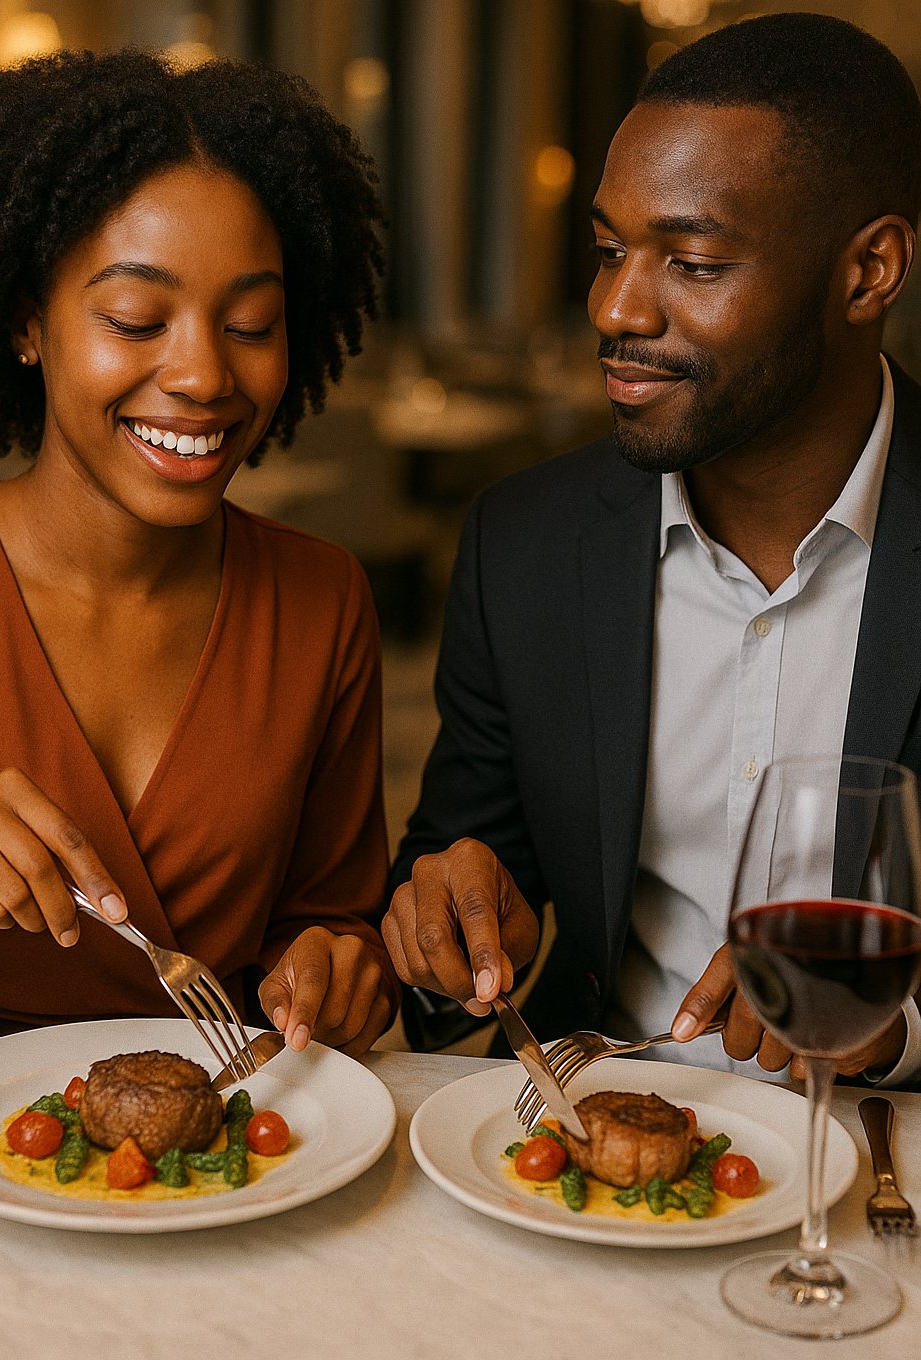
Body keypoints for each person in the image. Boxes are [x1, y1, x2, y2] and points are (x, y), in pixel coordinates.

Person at [383, 12, 921, 1085]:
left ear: (867, 271)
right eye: (608, 250)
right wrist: (457, 920)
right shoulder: (523, 544)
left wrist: (891, 1030)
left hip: (874, 1167)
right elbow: (463, 888)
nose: (614, 306)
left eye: (693, 261)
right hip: (586, 1151)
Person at [0, 48, 399, 1054]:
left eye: (251, 322)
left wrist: (337, 969)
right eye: (137, 318)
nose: (206, 373)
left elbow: (333, 920)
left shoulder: (319, 599)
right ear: (26, 322)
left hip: (215, 1160)